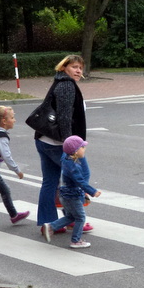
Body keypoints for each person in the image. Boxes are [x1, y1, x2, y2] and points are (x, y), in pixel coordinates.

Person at [31, 54, 93, 235]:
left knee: (50, 183)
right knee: (80, 176)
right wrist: (71, 147)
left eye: (80, 68)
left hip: (44, 140)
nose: (78, 70)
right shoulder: (67, 86)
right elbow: (65, 118)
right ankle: (73, 219)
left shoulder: (59, 82)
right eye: (74, 67)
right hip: (58, 144)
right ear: (64, 67)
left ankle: (48, 223)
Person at [42, 136, 100, 248]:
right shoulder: (74, 167)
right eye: (82, 147)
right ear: (76, 151)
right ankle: (76, 240)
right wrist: (93, 192)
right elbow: (80, 182)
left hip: (64, 194)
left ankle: (51, 227)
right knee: (80, 217)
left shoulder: (66, 159)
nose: (84, 149)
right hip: (72, 196)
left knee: (71, 217)